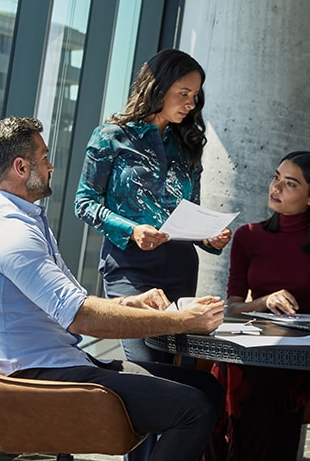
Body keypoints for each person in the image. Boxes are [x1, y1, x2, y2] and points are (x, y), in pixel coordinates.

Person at [0, 117, 226, 461]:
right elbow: (83, 319)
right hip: (42, 378)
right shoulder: (10, 233)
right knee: (194, 408)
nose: (51, 165)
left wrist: (131, 303)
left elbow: (74, 303)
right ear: (21, 166)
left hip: (62, 363)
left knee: (205, 386)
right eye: (44, 158)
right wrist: (185, 321)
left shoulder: (23, 222)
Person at [75, 48, 231, 365]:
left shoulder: (188, 143)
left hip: (180, 267)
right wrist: (132, 230)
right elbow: (84, 202)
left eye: (195, 96)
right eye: (183, 93)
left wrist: (209, 238)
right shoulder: (111, 137)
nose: (191, 104)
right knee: (147, 364)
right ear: (158, 88)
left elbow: (191, 211)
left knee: (180, 363)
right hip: (129, 267)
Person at [206, 150, 310, 461]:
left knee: (254, 378)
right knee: (234, 369)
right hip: (255, 349)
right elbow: (233, 308)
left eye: (290, 184)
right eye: (276, 177)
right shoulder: (249, 236)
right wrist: (264, 301)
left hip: (308, 356)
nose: (275, 188)